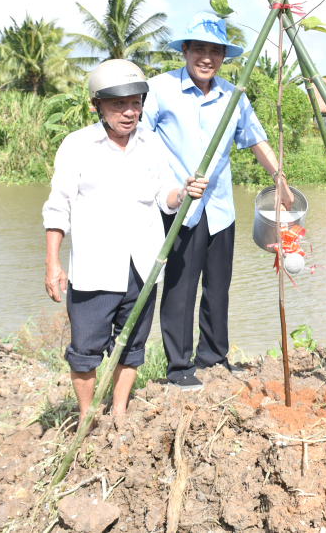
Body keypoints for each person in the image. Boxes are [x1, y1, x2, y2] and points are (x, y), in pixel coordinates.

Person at [43, 59, 208, 422]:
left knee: (132, 346)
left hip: (143, 266)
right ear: (97, 105)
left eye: (136, 102)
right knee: (84, 351)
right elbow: (58, 207)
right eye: (118, 104)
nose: (130, 112)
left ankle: (118, 412)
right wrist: (52, 263)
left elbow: (164, 195)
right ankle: (87, 416)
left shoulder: (151, 143)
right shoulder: (78, 145)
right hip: (95, 269)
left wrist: (183, 194)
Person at [143, 12, 293, 390]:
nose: (207, 58)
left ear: (224, 56)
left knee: (218, 286)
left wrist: (279, 178)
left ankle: (213, 357)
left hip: (220, 207)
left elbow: (255, 138)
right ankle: (179, 367)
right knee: (180, 288)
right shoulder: (160, 89)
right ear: (185, 50)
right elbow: (138, 140)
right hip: (180, 205)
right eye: (199, 49)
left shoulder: (233, 94)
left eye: (215, 51)